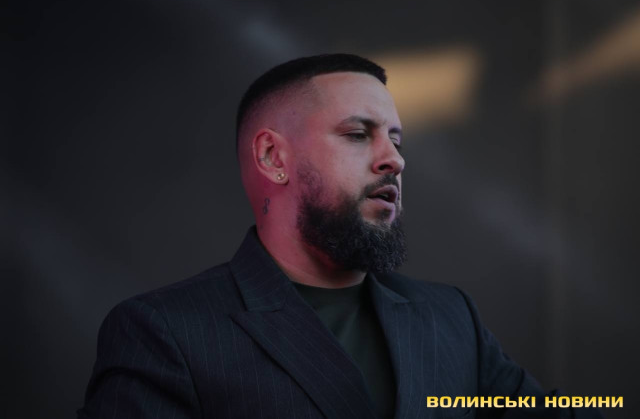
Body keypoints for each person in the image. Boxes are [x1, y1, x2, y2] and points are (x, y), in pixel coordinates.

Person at [79, 54, 602, 418]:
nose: (394, 160)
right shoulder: (166, 332)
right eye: (357, 134)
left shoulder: (449, 317)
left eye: (396, 140)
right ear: (273, 157)